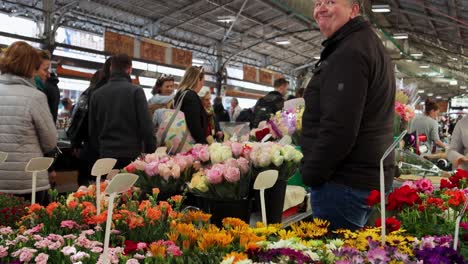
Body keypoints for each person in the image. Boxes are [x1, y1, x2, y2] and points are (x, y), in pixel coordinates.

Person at [300, 0, 396, 231]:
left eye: (331, 2)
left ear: (354, 9)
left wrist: (311, 174)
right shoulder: (362, 44)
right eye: (317, 2)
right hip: (359, 180)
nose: (321, 8)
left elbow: (339, 128)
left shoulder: (349, 52)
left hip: (343, 183)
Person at [0, 41, 57, 203]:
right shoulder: (35, 97)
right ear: (29, 66)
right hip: (28, 180)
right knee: (29, 226)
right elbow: (50, 141)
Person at [89, 54, 155, 169]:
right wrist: (151, 153)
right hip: (131, 156)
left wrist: (101, 150)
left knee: (108, 186)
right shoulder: (136, 92)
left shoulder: (96, 95)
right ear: (130, 69)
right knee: (130, 187)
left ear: (110, 69)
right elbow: (147, 128)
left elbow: (92, 130)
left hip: (106, 156)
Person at [173, 66, 208, 144]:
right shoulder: (191, 96)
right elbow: (194, 125)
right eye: (203, 81)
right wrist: (203, 144)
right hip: (189, 143)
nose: (203, 84)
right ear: (197, 79)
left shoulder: (180, 93)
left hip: (178, 138)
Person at [35, 50, 60, 123]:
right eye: (45, 70)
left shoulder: (40, 89)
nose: (48, 75)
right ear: (33, 69)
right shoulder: (35, 93)